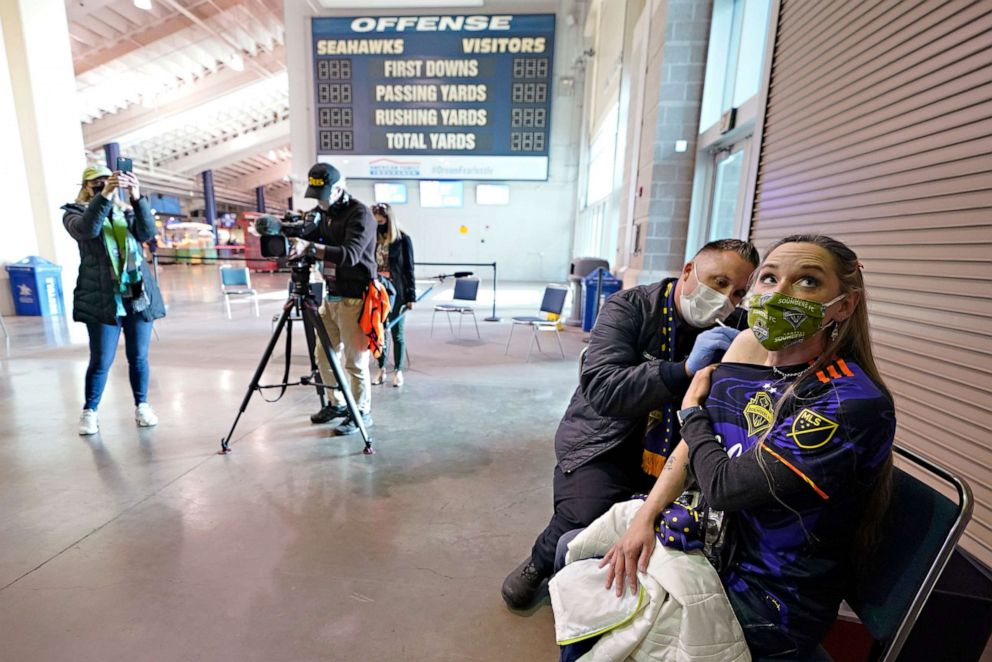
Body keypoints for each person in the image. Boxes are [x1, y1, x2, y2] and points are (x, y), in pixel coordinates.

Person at [598, 234, 895, 658]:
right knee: (578, 559)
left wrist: (690, 411)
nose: (778, 294)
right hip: (713, 547)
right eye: (769, 278)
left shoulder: (849, 402)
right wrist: (645, 517)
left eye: (807, 282)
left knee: (604, 629)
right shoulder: (751, 355)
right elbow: (692, 448)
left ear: (844, 306)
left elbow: (724, 485)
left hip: (772, 596)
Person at [501, 239, 760, 609]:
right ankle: (539, 563)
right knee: (585, 514)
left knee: (689, 529)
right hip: (605, 439)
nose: (725, 300)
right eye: (717, 283)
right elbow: (603, 387)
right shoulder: (630, 307)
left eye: (737, 293)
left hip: (678, 450)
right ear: (688, 271)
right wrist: (682, 370)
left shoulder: (737, 326)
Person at [62, 165, 166, 435]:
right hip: (101, 298)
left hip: (136, 295)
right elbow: (89, 230)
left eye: (106, 181)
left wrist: (136, 196)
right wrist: (105, 196)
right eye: (95, 183)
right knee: (101, 360)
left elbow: (146, 233)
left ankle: (142, 405)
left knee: (139, 357)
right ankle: (90, 411)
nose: (101, 185)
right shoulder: (74, 214)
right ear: (85, 187)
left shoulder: (126, 212)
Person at [287, 163, 378, 436]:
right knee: (324, 356)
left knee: (354, 361)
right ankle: (337, 403)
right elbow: (305, 235)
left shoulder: (360, 214)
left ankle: (361, 411)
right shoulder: (321, 214)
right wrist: (289, 231)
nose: (319, 201)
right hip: (331, 296)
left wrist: (311, 248)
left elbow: (350, 254)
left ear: (338, 189)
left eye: (323, 195)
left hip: (356, 299)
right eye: (316, 195)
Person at [370, 202, 415, 388]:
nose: (378, 224)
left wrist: (411, 296)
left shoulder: (403, 239)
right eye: (375, 222)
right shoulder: (372, 238)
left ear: (389, 219)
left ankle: (398, 371)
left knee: (396, 332)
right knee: (379, 332)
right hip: (376, 291)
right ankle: (381, 369)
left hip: (397, 292)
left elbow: (409, 268)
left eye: (381, 221)